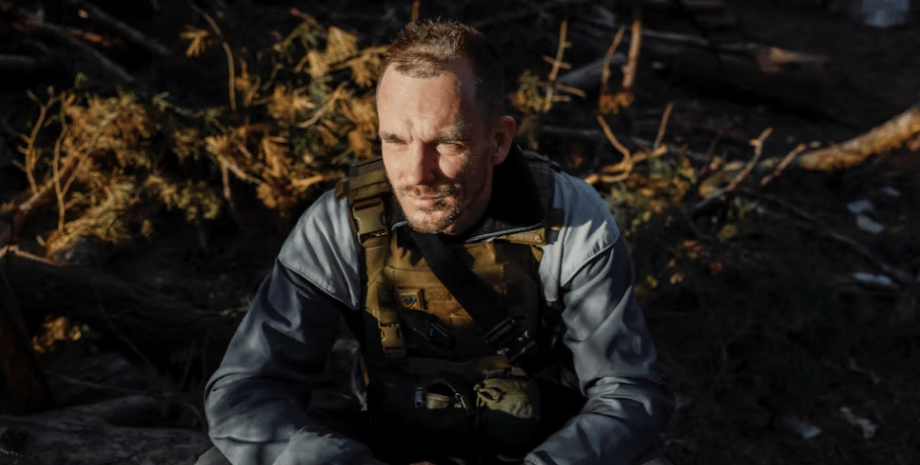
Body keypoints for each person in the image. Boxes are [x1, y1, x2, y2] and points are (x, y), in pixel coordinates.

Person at [200, 20, 673, 465]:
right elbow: (247, 389)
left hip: (537, 447)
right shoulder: (338, 224)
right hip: (388, 446)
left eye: (447, 143)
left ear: (500, 140)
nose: (415, 174)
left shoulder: (573, 223)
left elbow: (627, 393)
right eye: (395, 141)